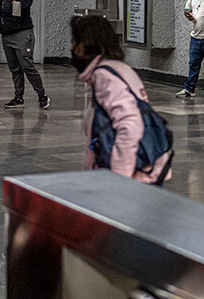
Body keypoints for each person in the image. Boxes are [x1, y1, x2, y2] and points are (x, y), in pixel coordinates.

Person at [72, 15, 171, 183]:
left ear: (83, 46)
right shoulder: (120, 69)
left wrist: (119, 181)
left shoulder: (105, 76)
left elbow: (130, 124)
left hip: (131, 177)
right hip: (144, 168)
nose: (72, 47)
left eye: (74, 42)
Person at [0, 0, 49, 109]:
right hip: (7, 36)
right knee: (15, 68)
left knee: (27, 66)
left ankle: (42, 95)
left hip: (22, 34)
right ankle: (18, 97)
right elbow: (1, 15)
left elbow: (27, 3)